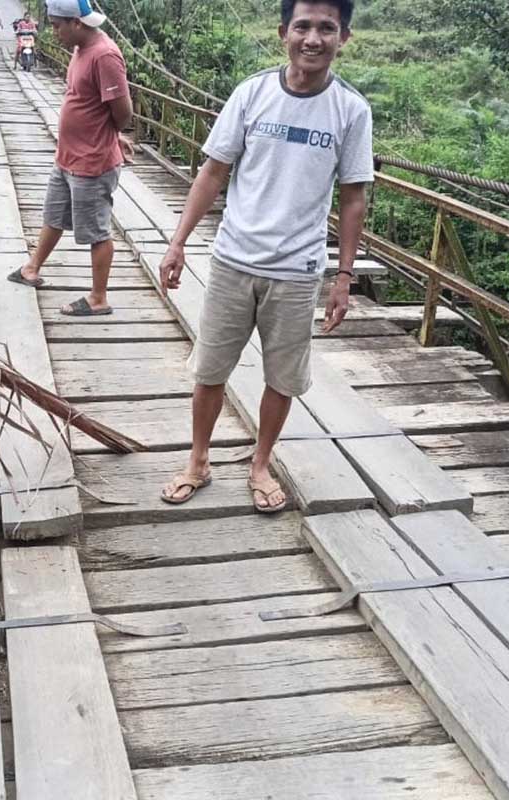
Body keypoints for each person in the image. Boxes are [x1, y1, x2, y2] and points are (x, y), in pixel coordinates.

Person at [157, 0, 373, 511]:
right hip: (234, 259)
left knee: (283, 377)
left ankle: (260, 463)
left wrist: (343, 276)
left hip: (298, 272)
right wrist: (178, 239)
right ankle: (199, 460)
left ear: (344, 38)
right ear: (284, 32)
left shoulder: (351, 110)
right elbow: (213, 170)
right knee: (211, 369)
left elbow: (354, 196)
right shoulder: (251, 93)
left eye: (327, 28)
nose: (313, 39)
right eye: (303, 26)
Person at [8, 0, 134, 318]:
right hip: (67, 157)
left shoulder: (104, 55)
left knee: (96, 231)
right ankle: (31, 268)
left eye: (56, 26)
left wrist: (111, 135)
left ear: (76, 24)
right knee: (54, 215)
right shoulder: (80, 49)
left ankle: (98, 297)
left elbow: (123, 112)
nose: (53, 32)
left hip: (92, 162)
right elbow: (91, 102)